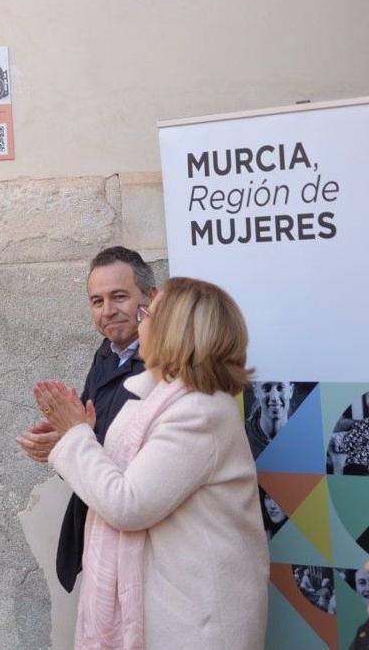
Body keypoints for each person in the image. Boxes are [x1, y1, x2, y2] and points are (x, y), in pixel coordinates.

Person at [34, 276, 268, 649]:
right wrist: (71, 436)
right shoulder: (161, 401)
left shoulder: (197, 412)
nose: (140, 322)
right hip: (174, 608)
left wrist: (77, 436)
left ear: (174, 331)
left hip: (196, 620)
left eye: (148, 313)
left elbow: (128, 505)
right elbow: (124, 479)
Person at [17, 246, 156, 593]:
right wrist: (59, 441)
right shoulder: (107, 354)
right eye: (97, 301)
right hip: (103, 529)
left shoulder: (169, 366)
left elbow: (142, 463)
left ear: (150, 297)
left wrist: (75, 436)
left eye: (119, 297)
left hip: (146, 543)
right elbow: (89, 432)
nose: (108, 311)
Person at [244, 380, 294, 459]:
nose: (274, 397)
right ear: (256, 391)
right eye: (266, 388)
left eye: (280, 388)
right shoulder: (242, 435)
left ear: (291, 391)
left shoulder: (304, 436)